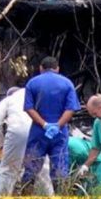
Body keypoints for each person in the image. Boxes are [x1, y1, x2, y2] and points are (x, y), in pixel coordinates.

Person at [21, 56, 81, 190]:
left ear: (41, 68)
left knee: (31, 168)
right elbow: (70, 108)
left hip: (38, 131)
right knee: (60, 170)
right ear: (57, 69)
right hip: (59, 133)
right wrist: (57, 125)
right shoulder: (67, 83)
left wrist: (44, 124)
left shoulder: (32, 83)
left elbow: (29, 108)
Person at [0, 87, 53, 195]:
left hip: (18, 132)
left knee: (8, 170)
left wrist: (0, 145)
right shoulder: (37, 97)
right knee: (42, 171)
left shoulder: (8, 100)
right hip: (40, 132)